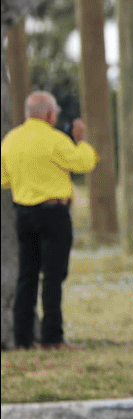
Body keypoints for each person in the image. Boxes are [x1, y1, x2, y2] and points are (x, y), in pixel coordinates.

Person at [2, 91, 98, 350]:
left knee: (27, 276)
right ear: (49, 115)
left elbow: (3, 178)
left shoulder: (11, 140)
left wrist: (26, 181)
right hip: (53, 213)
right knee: (53, 276)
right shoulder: (54, 139)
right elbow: (83, 163)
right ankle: (52, 337)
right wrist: (81, 141)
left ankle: (23, 339)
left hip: (23, 212)